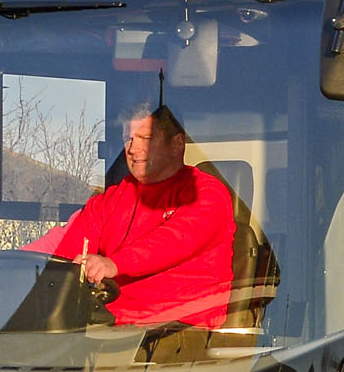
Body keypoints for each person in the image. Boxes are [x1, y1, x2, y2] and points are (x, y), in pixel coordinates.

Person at [27, 104, 238, 328]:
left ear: (177, 144)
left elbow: (174, 240)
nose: (133, 149)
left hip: (177, 335)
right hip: (110, 327)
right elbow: (64, 246)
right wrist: (8, 267)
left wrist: (112, 264)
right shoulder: (113, 199)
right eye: (128, 139)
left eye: (145, 138)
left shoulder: (205, 194)